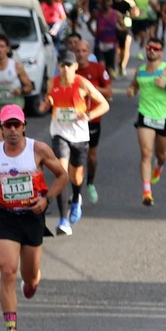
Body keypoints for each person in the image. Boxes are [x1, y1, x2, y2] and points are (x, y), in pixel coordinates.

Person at [0, 105, 68, 331]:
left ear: (24, 126)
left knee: (29, 276)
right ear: (1, 129)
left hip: (32, 217)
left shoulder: (38, 150)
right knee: (7, 271)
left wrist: (46, 199)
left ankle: (32, 281)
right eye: (7, 125)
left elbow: (62, 176)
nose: (12, 130)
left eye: (16, 125)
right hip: (5, 217)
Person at [44, 50, 110, 235]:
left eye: (69, 65)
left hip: (79, 136)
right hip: (59, 133)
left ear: (75, 66)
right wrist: (47, 103)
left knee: (76, 176)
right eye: (62, 65)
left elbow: (104, 104)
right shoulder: (52, 82)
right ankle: (63, 220)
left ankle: (76, 199)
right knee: (61, 173)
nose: (65, 69)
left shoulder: (83, 84)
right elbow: (50, 99)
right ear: (59, 66)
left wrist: (88, 115)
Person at [128, 37, 166, 206]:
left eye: (156, 49)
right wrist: (132, 90)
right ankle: (147, 192)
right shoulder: (140, 70)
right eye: (149, 48)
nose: (152, 51)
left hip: (163, 116)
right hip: (145, 115)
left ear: (161, 52)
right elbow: (134, 86)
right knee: (146, 153)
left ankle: (159, 166)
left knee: (160, 155)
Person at [70, 34, 114, 204]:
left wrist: (91, 89)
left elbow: (109, 92)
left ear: (88, 52)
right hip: (73, 121)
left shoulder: (98, 68)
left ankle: (90, 183)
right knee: (74, 158)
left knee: (91, 157)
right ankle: (76, 193)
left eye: (83, 51)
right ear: (74, 52)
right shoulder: (70, 71)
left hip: (92, 120)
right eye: (78, 51)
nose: (81, 54)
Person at [0, 33, 35, 145]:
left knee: (15, 144)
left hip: (14, 110)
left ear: (8, 48)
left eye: (2, 46)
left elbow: (29, 87)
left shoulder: (16, 66)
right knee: (0, 144)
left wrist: (20, 91)